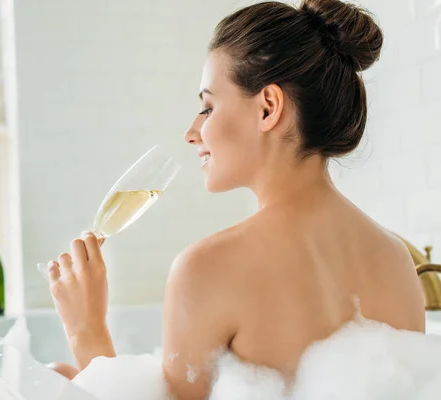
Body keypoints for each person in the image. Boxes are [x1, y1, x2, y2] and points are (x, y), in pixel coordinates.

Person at [44, 0, 426, 398]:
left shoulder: (206, 269)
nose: (192, 132)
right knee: (60, 373)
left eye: (207, 107)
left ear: (268, 108)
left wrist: (85, 329)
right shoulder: (395, 259)